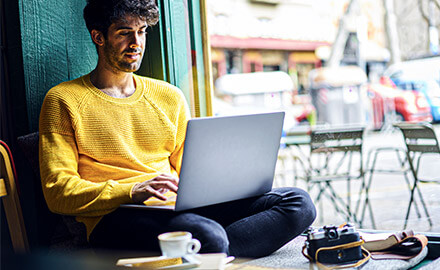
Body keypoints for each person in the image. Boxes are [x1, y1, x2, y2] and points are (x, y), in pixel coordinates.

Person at [39, 0, 316, 258]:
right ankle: (213, 249)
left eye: (142, 31)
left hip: (176, 207)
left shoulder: (169, 97)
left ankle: (211, 254)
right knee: (206, 235)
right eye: (124, 32)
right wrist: (133, 189)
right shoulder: (64, 100)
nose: (136, 43)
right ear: (98, 36)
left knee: (298, 203)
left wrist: (228, 183)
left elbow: (191, 172)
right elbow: (58, 192)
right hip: (114, 215)